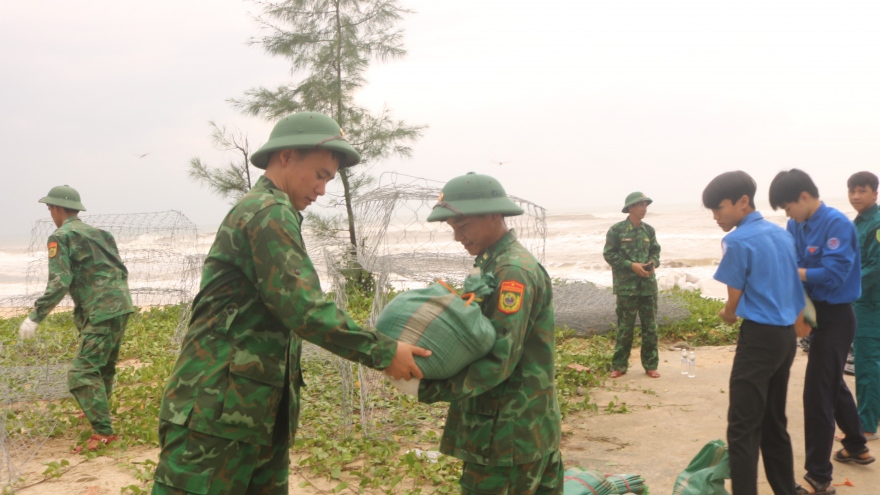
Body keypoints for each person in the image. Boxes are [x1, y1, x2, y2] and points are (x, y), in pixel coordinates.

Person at [151, 112, 430, 495]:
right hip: (216, 414)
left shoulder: (273, 211)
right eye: (319, 175)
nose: (322, 190)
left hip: (250, 412)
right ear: (285, 157)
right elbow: (305, 309)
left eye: (328, 179)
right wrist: (383, 352)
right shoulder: (269, 212)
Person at [417, 172, 563, 495]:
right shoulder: (493, 264)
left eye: (464, 226)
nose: (458, 237)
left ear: (495, 214)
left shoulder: (511, 272)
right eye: (453, 228)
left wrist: (428, 385)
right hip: (524, 430)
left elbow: (499, 359)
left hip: (507, 437)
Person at [768, 168, 874, 495]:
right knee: (830, 381)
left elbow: (832, 275)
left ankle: (818, 477)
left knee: (817, 395)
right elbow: (797, 264)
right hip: (814, 313)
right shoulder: (795, 224)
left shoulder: (837, 224)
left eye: (787, 207)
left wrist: (789, 271)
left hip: (838, 317)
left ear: (804, 197)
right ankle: (857, 445)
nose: (787, 215)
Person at [704, 171, 803, 495]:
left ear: (743, 202)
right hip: (785, 338)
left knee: (743, 429)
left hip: (759, 340)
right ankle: (785, 489)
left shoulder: (736, 240)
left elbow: (733, 300)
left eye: (719, 208)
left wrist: (728, 314)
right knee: (774, 422)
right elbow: (792, 285)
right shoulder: (782, 235)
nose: (716, 216)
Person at [19, 185, 134, 452]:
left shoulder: (60, 237)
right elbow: (120, 269)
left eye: (50, 208)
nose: (50, 213)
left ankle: (104, 432)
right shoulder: (101, 233)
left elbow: (60, 282)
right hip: (121, 304)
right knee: (103, 365)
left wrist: (36, 316)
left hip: (100, 309)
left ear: (57, 208)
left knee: (81, 372)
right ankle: (97, 408)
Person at [603, 192, 661, 378]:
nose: (644, 208)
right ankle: (619, 366)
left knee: (650, 327)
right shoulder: (617, 230)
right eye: (640, 205)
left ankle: (651, 365)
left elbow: (655, 251)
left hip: (648, 287)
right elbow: (609, 254)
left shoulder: (649, 231)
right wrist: (631, 266)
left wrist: (652, 264)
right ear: (630, 208)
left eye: (646, 205)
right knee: (625, 327)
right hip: (626, 288)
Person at [847, 171, 880, 442]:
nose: (856, 196)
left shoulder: (877, 223)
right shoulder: (858, 223)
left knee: (867, 363)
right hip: (862, 300)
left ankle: (866, 427)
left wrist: (848, 290)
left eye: (862, 190)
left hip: (870, 304)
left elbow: (876, 267)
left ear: (875, 193)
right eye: (852, 191)